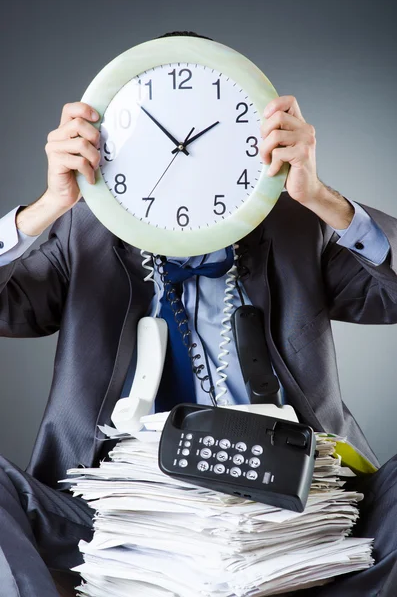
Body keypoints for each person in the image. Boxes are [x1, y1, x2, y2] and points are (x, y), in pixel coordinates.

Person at [0, 29, 396, 597]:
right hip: (114, 522)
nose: (180, 151)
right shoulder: (77, 232)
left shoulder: (301, 223)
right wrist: (44, 210)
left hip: (298, 511)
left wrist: (326, 202)